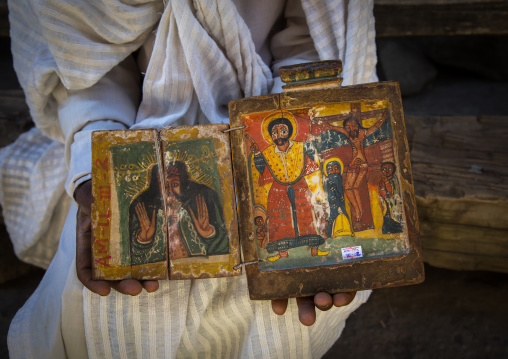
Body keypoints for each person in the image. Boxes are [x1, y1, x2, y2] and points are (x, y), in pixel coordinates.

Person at [5, 0, 378, 357]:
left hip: (264, 101)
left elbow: (314, 37)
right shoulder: (148, 193)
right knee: (100, 305)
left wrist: (272, 133)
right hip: (131, 122)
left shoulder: (278, 142)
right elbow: (84, 66)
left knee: (280, 294)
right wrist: (97, 171)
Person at [250, 117, 328, 261]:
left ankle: (315, 250)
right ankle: (282, 254)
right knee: (280, 222)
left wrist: (310, 144)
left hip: (300, 186)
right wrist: (257, 154)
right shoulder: (267, 153)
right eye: (274, 133)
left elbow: (311, 157)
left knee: (306, 218)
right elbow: (262, 170)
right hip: (278, 191)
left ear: (289, 132)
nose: (278, 136)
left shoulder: (299, 147)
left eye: (283, 131)